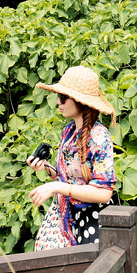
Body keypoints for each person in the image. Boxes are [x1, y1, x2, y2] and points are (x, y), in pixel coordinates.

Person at [27, 65, 117, 250]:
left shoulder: (99, 137)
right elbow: (66, 177)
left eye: (63, 97)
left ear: (79, 101)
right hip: (67, 215)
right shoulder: (68, 132)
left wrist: (56, 187)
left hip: (93, 218)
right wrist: (45, 167)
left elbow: (103, 193)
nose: (58, 102)